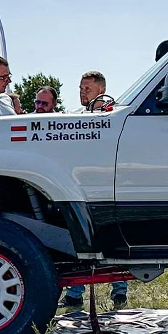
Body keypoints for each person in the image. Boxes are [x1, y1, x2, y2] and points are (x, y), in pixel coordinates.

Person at [63, 70, 127, 309]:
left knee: (113, 242)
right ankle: (75, 293)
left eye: (86, 89)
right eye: (80, 88)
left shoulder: (114, 114)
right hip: (81, 187)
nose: (81, 92)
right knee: (82, 245)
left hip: (108, 187)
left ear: (101, 90)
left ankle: (119, 291)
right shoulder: (75, 116)